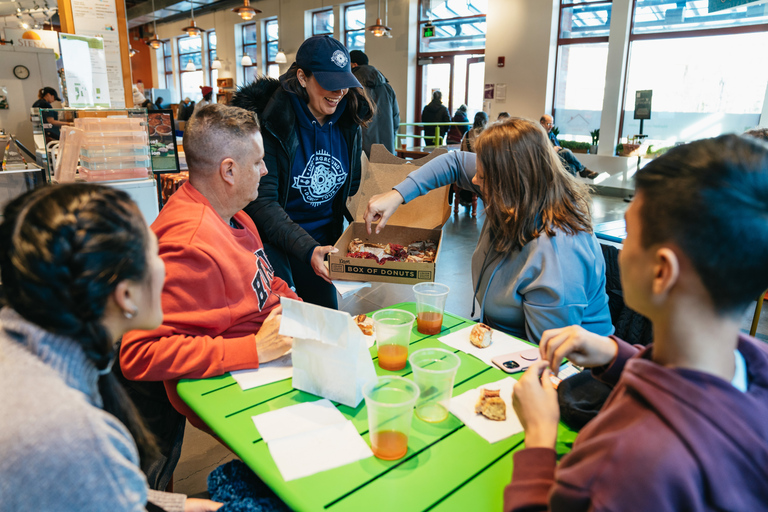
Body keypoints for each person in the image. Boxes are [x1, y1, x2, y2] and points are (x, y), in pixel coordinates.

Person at [506, 134, 768, 511]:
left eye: (629, 233)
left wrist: (539, 437)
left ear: (661, 272)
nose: (620, 248)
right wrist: (618, 355)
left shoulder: (625, 464)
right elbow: (695, 391)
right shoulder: (754, 362)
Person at [0, 183, 221, 512]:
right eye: (154, 252)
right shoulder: (76, 434)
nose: (163, 266)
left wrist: (176, 506)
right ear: (126, 296)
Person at [120, 104, 297, 439]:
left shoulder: (236, 213)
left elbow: (264, 280)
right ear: (228, 171)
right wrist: (255, 349)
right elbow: (139, 353)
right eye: (258, 161)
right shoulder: (188, 244)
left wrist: (300, 311)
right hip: (237, 377)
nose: (264, 170)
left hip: (268, 353)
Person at [364, 118, 613, 342]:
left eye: (483, 177)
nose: (474, 181)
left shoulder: (557, 254)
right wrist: (397, 194)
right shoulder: (518, 193)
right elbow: (453, 162)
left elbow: (544, 356)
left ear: (511, 184)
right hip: (498, 335)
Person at [231, 35, 373, 309]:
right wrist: (306, 248)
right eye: (329, 84)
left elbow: (350, 186)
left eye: (344, 83)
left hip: (323, 241)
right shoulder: (272, 123)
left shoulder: (348, 120)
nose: (339, 92)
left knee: (326, 318)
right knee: (287, 322)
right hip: (276, 241)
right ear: (302, 77)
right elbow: (262, 202)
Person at [350, 49, 400, 157]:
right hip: (386, 150)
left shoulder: (351, 87)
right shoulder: (388, 88)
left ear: (354, 65)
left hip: (359, 151)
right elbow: (396, 120)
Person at [540, 114, 598, 180]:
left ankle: (572, 187)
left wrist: (557, 148)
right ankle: (583, 170)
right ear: (542, 123)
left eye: (552, 124)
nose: (551, 127)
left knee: (572, 166)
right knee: (567, 152)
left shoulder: (551, 134)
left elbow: (558, 146)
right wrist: (553, 150)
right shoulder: (538, 135)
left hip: (556, 156)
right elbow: (540, 151)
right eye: (548, 124)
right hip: (548, 158)